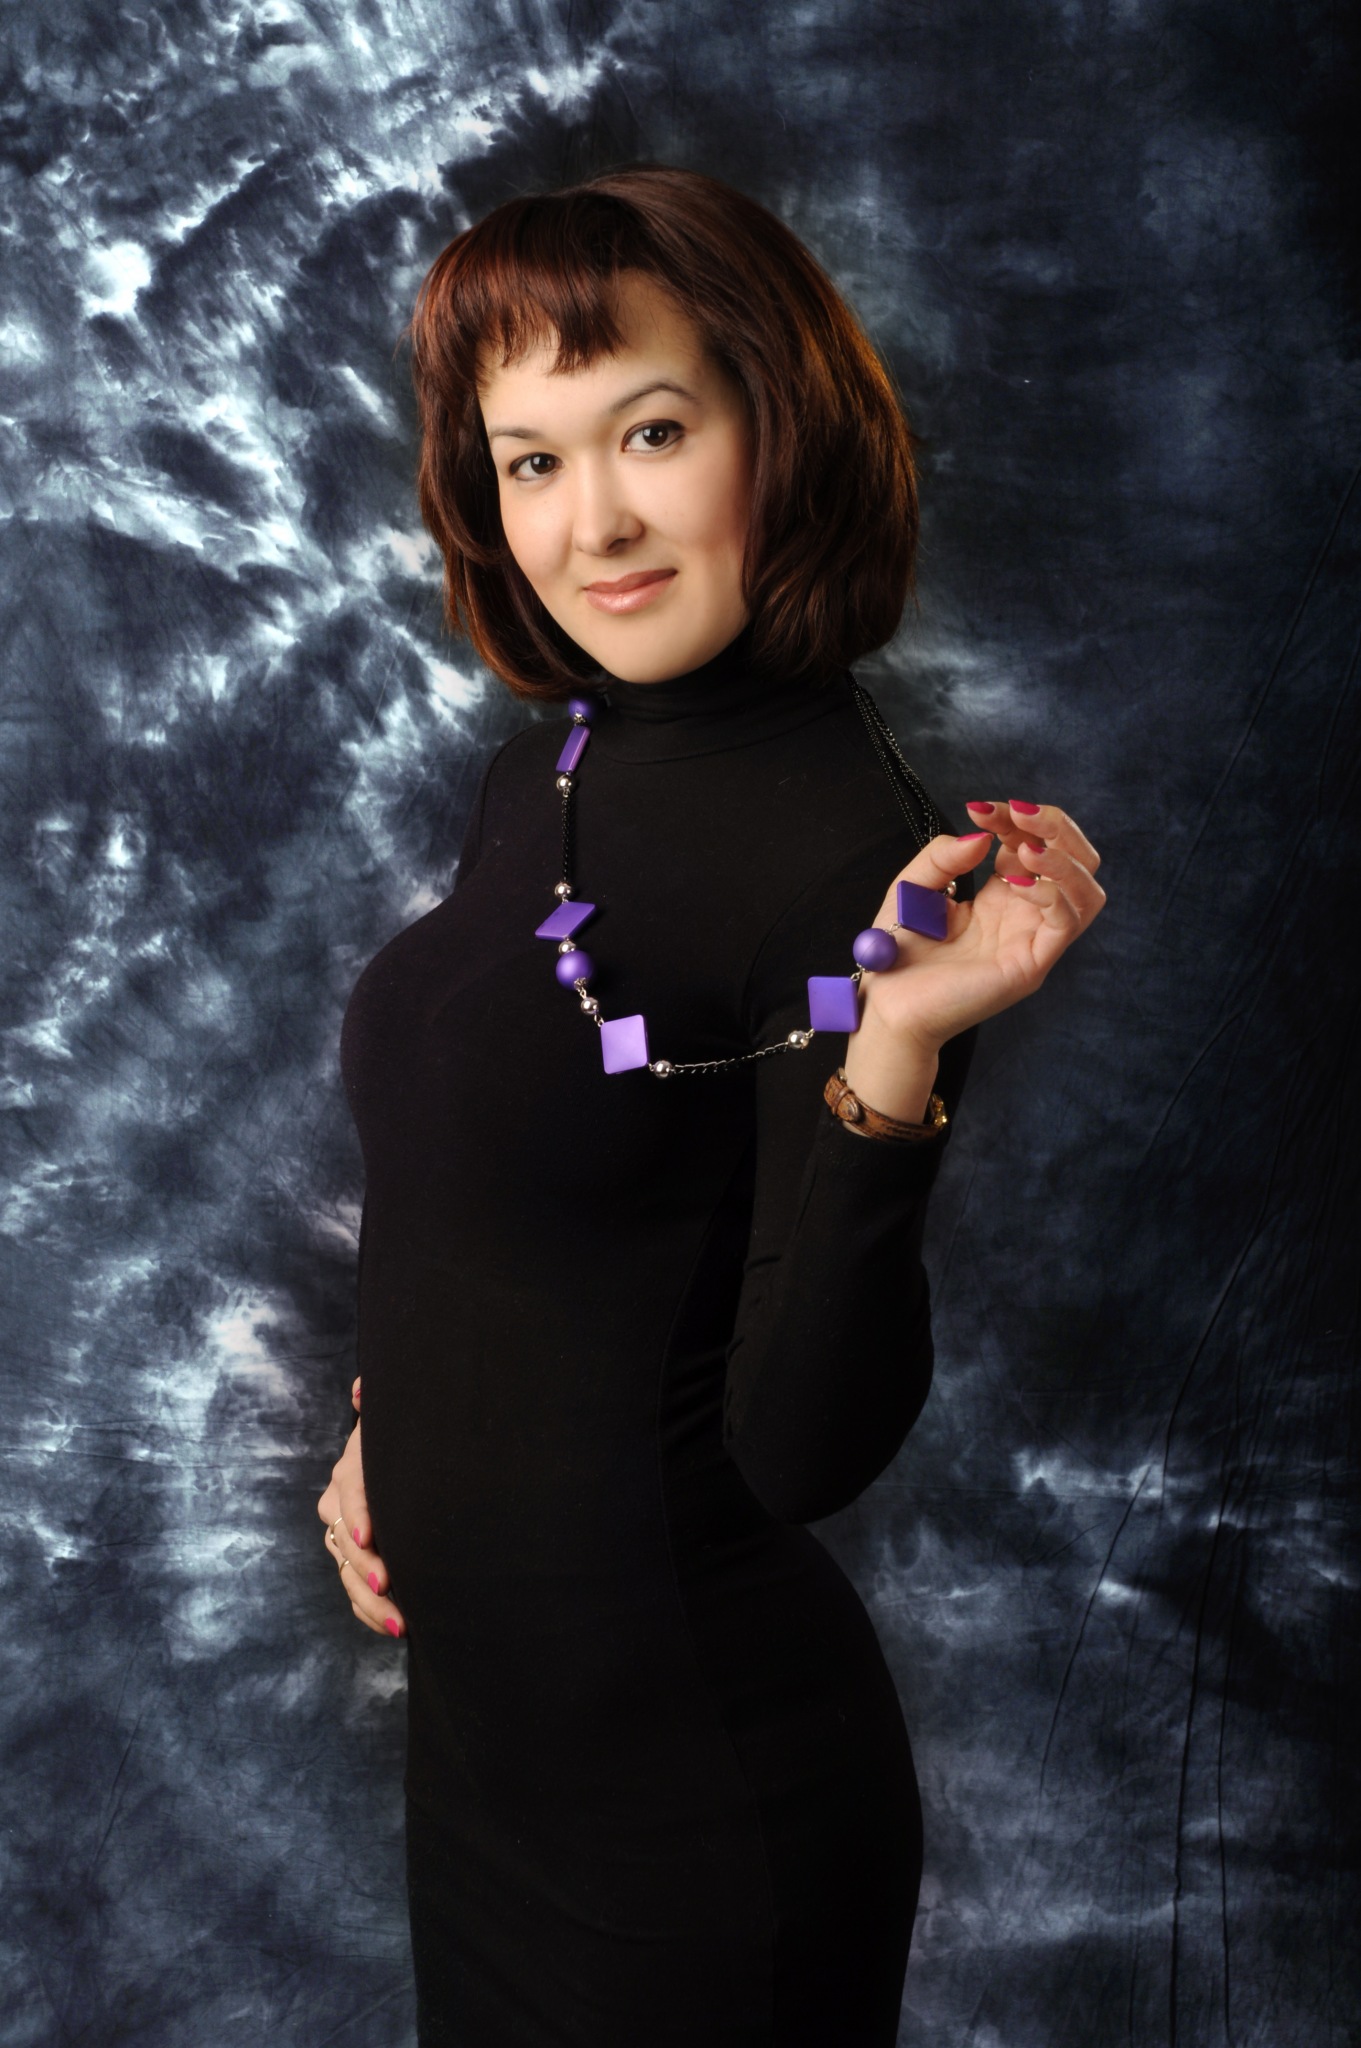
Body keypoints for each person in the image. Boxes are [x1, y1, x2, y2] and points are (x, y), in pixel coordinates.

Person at [316, 164, 1105, 2046]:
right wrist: (380, 1426)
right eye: (531, 460)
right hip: (488, 1776)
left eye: (651, 432)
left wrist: (893, 1056)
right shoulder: (550, 768)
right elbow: (513, 1186)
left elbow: (799, 1449)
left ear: (782, 423)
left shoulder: (857, 873)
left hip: (690, 1824)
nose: (591, 522)